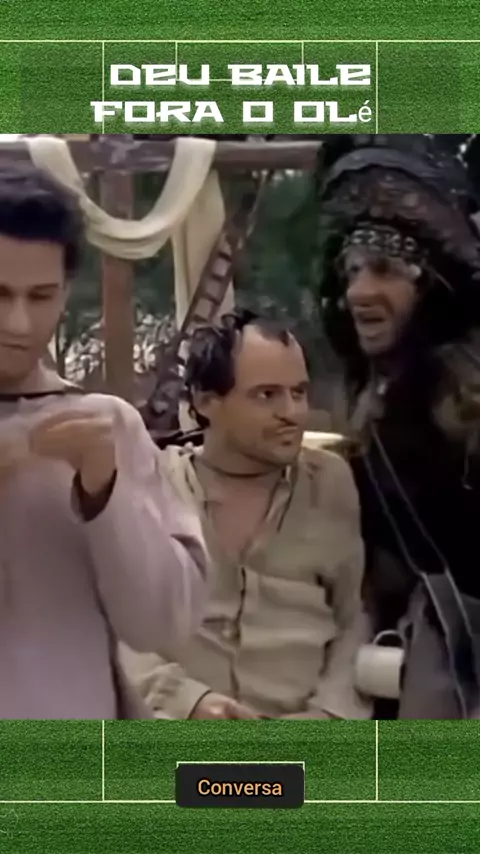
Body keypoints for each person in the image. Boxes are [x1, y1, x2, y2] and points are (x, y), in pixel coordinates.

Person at [0, 162, 208, 719]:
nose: (18, 323)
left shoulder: (104, 426)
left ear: (66, 292)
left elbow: (164, 625)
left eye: (40, 296)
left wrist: (107, 493)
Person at [121, 309, 371, 720]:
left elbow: (354, 619)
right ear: (206, 402)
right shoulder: (152, 485)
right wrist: (188, 701)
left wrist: (328, 716)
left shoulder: (330, 483)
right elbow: (115, 625)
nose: (292, 412)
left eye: (299, 392)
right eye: (267, 395)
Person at [316, 133, 480, 718]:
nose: (359, 291)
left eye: (385, 270)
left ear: (430, 286)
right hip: (414, 661)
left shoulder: (460, 405)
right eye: (352, 270)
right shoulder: (375, 405)